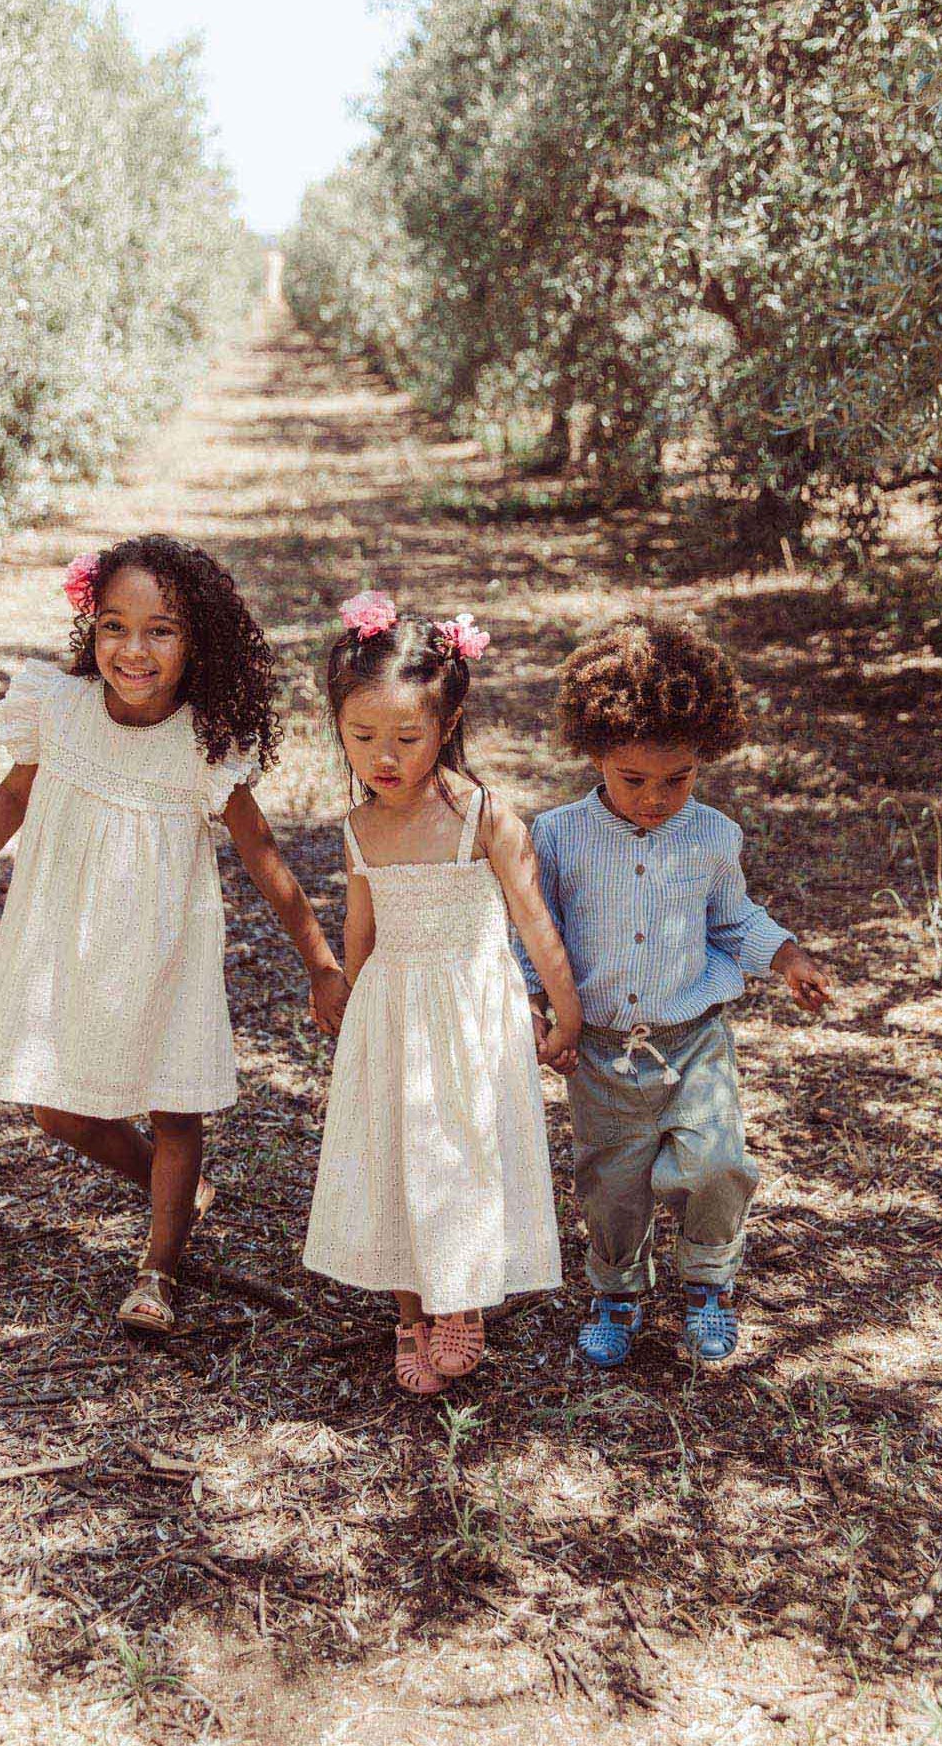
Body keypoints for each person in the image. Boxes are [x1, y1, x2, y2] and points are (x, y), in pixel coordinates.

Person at [0, 534, 348, 1335]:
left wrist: (320, 961)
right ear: (92, 627)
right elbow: (14, 796)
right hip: (67, 943)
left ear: (196, 640)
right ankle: (175, 1189)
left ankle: (158, 1271)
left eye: (160, 630)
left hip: (167, 945)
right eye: (115, 626)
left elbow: (263, 855)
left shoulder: (203, 744)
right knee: (55, 1105)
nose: (133, 650)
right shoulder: (61, 707)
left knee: (175, 1106)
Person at [515, 616, 832, 1367]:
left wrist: (786, 956)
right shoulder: (556, 836)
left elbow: (733, 919)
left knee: (718, 1163)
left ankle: (709, 1283)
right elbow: (535, 931)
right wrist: (534, 1004)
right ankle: (617, 1293)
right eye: (633, 779)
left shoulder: (712, 835)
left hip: (693, 1041)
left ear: (703, 758)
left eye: (678, 778)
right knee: (612, 1183)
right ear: (595, 753)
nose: (656, 798)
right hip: (601, 1053)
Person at [303, 593, 581, 1395]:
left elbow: (533, 919)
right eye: (362, 737)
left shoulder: (482, 816)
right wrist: (352, 1000)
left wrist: (565, 1009)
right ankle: (408, 1309)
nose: (383, 757)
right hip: (393, 1010)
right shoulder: (361, 827)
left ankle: (458, 1297)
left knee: (457, 1149)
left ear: (448, 720)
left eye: (406, 737)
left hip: (468, 1009)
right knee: (396, 1149)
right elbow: (360, 925)